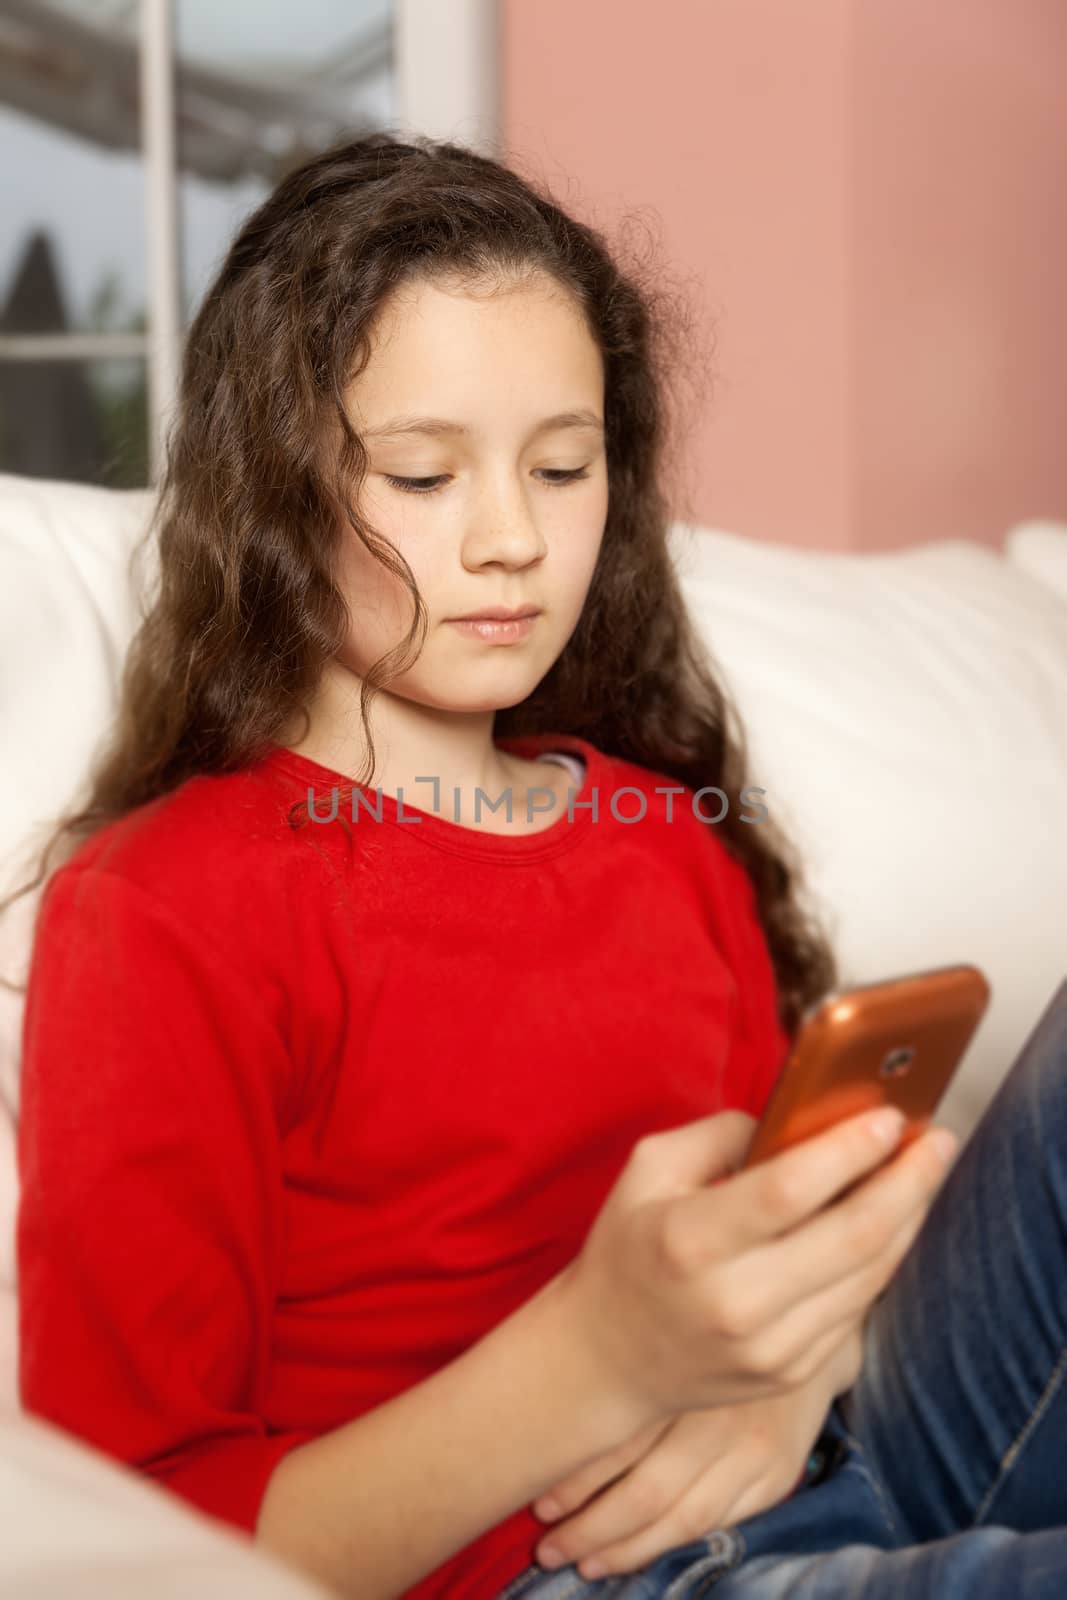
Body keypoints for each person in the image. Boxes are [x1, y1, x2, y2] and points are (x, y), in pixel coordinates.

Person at [6, 130, 1063, 1600]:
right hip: (566, 1573)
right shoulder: (167, 904)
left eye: (562, 467)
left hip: (829, 1451)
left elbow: (774, 1234)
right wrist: (595, 1360)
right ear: (273, 490)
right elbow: (135, 1546)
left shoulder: (661, 830)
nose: (512, 539)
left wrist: (787, 1363)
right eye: (424, 475)